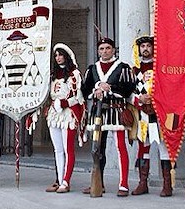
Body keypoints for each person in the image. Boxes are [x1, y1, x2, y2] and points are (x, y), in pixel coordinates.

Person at [81, 37, 136, 197]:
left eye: (107, 48)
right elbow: (85, 90)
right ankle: (99, 183)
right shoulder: (92, 69)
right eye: (101, 49)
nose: (104, 51)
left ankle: (124, 183)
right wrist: (96, 89)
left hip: (116, 111)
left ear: (113, 50)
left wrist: (109, 88)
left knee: (120, 146)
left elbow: (128, 88)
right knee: (98, 148)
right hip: (98, 112)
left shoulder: (122, 67)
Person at [129, 35, 174, 197]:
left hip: (159, 112)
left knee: (164, 147)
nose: (145, 49)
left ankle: (167, 184)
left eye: (148, 46)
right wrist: (139, 99)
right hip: (142, 114)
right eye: (143, 47)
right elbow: (128, 92)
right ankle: (143, 183)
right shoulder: (134, 70)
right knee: (143, 148)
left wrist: (156, 99)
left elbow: (169, 88)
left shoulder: (161, 67)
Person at [44, 43, 85, 193]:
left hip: (68, 114)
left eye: (60, 55)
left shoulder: (75, 74)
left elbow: (79, 97)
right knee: (57, 149)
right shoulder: (52, 75)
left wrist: (64, 102)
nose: (58, 58)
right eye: (56, 55)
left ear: (66, 56)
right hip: (54, 114)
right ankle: (59, 179)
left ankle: (66, 181)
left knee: (68, 149)